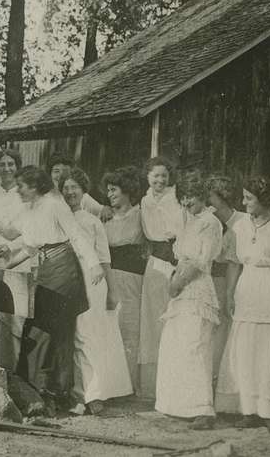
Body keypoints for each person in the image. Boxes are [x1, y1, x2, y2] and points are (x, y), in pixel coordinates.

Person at [0, 166, 104, 409]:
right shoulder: (28, 210)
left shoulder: (55, 205)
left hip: (64, 269)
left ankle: (57, 393)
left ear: (35, 186)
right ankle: (34, 391)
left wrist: (94, 264)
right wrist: (6, 259)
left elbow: (76, 235)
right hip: (45, 270)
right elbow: (21, 241)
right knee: (38, 330)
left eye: (22, 186)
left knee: (59, 332)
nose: (18, 191)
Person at [215, 176, 270, 434]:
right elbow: (234, 264)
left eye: (249, 198)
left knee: (269, 351)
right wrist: (229, 295)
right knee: (245, 351)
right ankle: (248, 410)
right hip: (246, 289)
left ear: (264, 200)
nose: (244, 202)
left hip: (269, 290)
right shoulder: (240, 228)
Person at [154, 170, 223, 428]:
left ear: (202, 197)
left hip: (196, 287)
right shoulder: (189, 220)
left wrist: (177, 283)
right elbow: (182, 256)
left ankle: (203, 409)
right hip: (181, 286)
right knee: (178, 344)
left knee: (196, 345)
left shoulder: (210, 223)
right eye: (183, 199)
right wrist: (175, 281)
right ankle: (179, 404)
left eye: (191, 199)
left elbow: (201, 261)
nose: (186, 204)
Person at [61, 168, 132, 414]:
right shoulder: (59, 220)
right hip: (66, 282)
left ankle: (92, 395)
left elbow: (104, 259)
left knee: (89, 337)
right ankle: (79, 393)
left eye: (75, 188)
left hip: (92, 285)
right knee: (74, 339)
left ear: (83, 192)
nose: (70, 192)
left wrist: (112, 291)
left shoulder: (91, 221)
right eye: (66, 188)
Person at [139, 155, 186, 397]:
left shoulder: (176, 198)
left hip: (174, 259)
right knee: (153, 318)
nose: (160, 179)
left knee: (173, 318)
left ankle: (173, 383)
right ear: (148, 176)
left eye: (164, 175)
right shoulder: (145, 201)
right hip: (155, 262)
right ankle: (152, 384)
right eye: (155, 175)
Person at [102, 165, 147, 393]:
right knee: (111, 332)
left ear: (127, 190)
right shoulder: (104, 217)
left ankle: (129, 386)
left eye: (114, 190)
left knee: (130, 331)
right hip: (110, 279)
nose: (109, 195)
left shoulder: (141, 214)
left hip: (132, 281)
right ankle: (112, 386)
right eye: (108, 190)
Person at [206, 173, 247, 380]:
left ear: (222, 198)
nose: (207, 202)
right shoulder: (208, 220)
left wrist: (230, 293)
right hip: (212, 280)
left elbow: (235, 263)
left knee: (229, 328)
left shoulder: (242, 222)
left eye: (211, 197)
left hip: (235, 281)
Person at [48, 153, 104, 218]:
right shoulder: (45, 197)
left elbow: (103, 211)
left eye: (65, 171)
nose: (60, 176)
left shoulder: (81, 197)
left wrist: (106, 210)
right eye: (56, 171)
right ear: (50, 174)